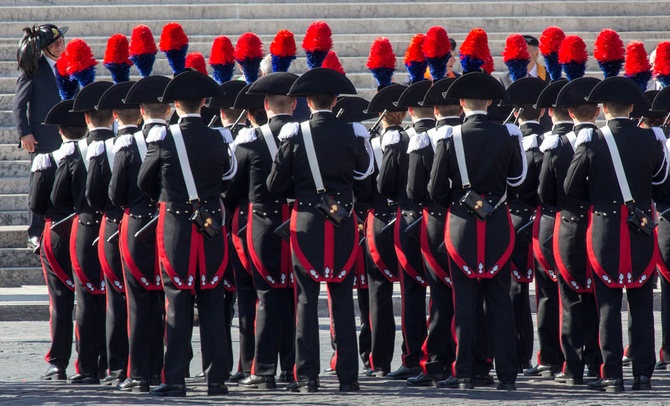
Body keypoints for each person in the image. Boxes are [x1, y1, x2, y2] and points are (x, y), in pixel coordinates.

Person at [267, 67, 373, 393]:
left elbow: (274, 184)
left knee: (305, 301)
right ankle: (348, 377)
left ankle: (308, 376)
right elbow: (366, 177)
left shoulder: (294, 135)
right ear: (336, 100)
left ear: (307, 102)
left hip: (306, 221)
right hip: (341, 220)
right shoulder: (353, 133)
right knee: (342, 299)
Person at [565, 76, 668, 392]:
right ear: (630, 108)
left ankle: (611, 374)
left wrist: (596, 197)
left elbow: (571, 187)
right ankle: (643, 373)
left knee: (607, 303)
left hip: (605, 226)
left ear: (603, 109)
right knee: (640, 300)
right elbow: (661, 183)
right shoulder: (651, 139)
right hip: (640, 225)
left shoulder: (592, 140)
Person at [138, 70, 235, 397]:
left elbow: (144, 181)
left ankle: (175, 378)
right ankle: (216, 379)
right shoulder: (219, 137)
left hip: (176, 223)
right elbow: (228, 176)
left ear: (175, 105)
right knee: (211, 300)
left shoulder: (162, 138)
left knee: (177, 301)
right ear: (204, 103)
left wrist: (167, 193)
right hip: (210, 223)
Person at [429, 71, 525, 391]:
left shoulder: (450, 136)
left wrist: (457, 201)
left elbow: (434, 188)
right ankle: (507, 375)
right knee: (499, 301)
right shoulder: (507, 134)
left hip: (461, 224)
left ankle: (466, 371)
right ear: (488, 102)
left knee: (465, 302)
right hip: (496, 221)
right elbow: (517, 179)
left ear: (461, 103)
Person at [227, 73, 299, 390]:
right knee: (297, 295)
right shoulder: (305, 136)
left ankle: (264, 369)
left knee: (267, 294)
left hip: (263, 224)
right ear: (295, 104)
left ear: (265, 105)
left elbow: (233, 190)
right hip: (298, 223)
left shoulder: (250, 140)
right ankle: (293, 368)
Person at [51, 81, 115, 384]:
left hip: (86, 226)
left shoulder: (74, 153)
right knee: (119, 298)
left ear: (87, 119)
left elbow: (56, 199)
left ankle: (88, 367)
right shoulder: (127, 146)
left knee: (88, 299)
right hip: (116, 227)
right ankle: (118, 365)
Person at [109, 75, 170, 392]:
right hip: (169, 223)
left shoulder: (127, 143)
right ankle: (162, 371)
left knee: (137, 302)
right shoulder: (176, 139)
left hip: (135, 225)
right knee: (166, 301)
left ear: (142, 110)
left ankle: (138, 372)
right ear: (169, 111)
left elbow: (115, 192)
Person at [542, 76, 602, 386]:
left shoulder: (556, 144)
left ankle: (573, 366)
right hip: (603, 225)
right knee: (600, 298)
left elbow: (545, 195)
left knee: (570, 299)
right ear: (597, 112)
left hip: (567, 224)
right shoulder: (609, 141)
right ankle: (597, 362)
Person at [405, 77, 460, 387]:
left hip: (437, 223)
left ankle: (437, 361)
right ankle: (475, 360)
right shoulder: (476, 133)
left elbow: (414, 191)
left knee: (439, 295)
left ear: (434, 108)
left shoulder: (424, 139)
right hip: (478, 222)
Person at [377, 80, 433, 381]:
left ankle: (413, 357)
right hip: (440, 220)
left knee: (412, 290)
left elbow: (385, 185)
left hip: (409, 217)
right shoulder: (446, 136)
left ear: (410, 110)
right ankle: (441, 354)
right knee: (444, 290)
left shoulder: (399, 140)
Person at [87, 81, 139, 387]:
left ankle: (118, 367)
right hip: (146, 224)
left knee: (117, 299)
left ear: (117, 115)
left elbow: (95, 195)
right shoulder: (157, 140)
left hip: (114, 222)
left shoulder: (104, 147)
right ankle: (150, 366)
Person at [30, 99, 85, 381]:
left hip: (58, 234)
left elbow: (36, 206)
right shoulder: (96, 155)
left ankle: (58, 361)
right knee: (93, 297)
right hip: (89, 231)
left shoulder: (46, 161)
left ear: (60, 131)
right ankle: (93, 359)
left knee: (60, 300)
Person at [525, 79, 571, 378]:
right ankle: (579, 359)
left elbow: (536, 192)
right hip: (583, 221)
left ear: (550, 112)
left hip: (549, 221)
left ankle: (551, 357)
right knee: (577, 294)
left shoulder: (542, 144)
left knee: (546, 293)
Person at [362, 84, 406, 377]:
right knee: (413, 292)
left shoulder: (372, 142)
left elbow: (365, 187)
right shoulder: (414, 138)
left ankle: (379, 360)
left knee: (378, 291)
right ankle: (413, 356)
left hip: (378, 218)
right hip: (406, 219)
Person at [503, 77, 547, 372]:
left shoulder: (511, 140)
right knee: (548, 291)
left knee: (516, 291)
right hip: (544, 219)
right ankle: (551, 356)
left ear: (517, 113)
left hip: (515, 218)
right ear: (542, 112)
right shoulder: (554, 141)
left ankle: (520, 355)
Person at [13, 23, 69, 249]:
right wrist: (24, 133)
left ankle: (61, 226)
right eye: (54, 43)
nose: (60, 46)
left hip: (67, 135)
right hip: (41, 138)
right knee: (39, 184)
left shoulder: (69, 66)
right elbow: (19, 106)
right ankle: (35, 233)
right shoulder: (34, 69)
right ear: (44, 48)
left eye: (61, 41)